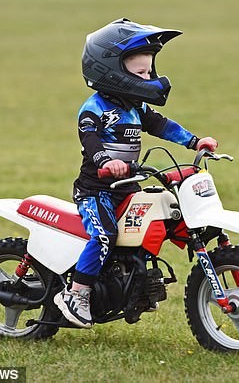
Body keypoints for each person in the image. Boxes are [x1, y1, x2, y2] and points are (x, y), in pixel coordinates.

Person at [54, 18, 218, 328]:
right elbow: (88, 138)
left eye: (149, 72)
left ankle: (138, 286)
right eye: (141, 72)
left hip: (127, 187)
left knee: (158, 221)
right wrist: (105, 161)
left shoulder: (135, 107)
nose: (148, 78)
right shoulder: (95, 108)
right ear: (111, 71)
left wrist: (196, 141)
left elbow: (162, 125)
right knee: (105, 236)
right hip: (96, 191)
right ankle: (76, 293)